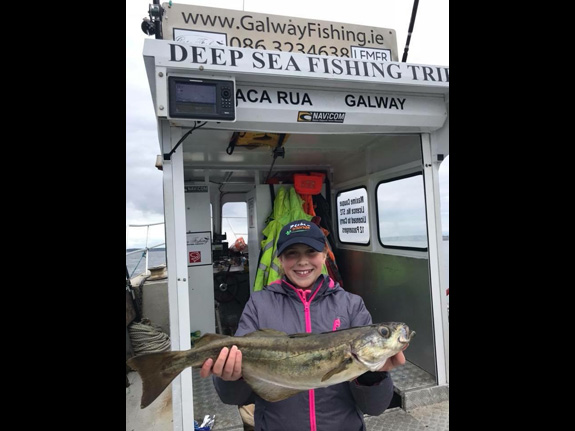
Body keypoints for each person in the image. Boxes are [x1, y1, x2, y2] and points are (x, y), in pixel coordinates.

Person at [200, 219, 408, 431]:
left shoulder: (352, 306)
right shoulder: (259, 305)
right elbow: (232, 397)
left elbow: (375, 407)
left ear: (325, 255)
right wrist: (230, 378)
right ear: (280, 259)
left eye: (311, 251)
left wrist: (374, 374)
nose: (302, 261)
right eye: (291, 253)